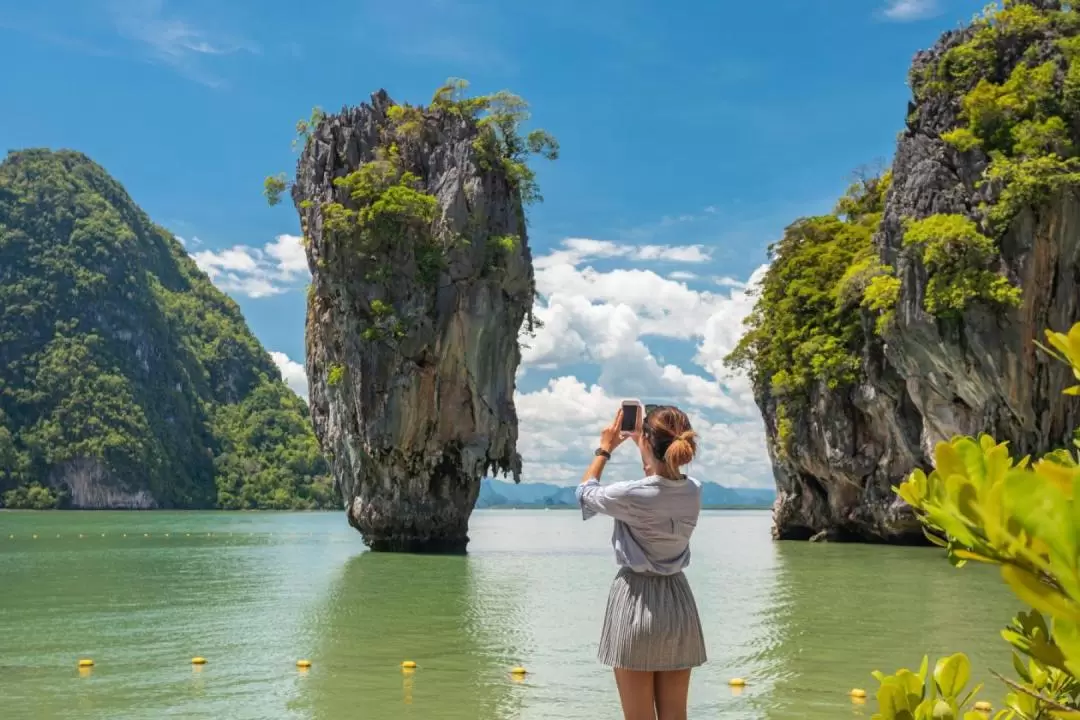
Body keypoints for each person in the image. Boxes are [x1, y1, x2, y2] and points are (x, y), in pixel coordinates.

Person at [576, 404, 706, 720]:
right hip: (678, 604)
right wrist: (643, 441)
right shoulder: (694, 491)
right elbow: (662, 479)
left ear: (649, 443)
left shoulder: (630, 495)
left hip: (635, 602)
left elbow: (584, 493)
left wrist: (604, 448)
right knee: (675, 715)